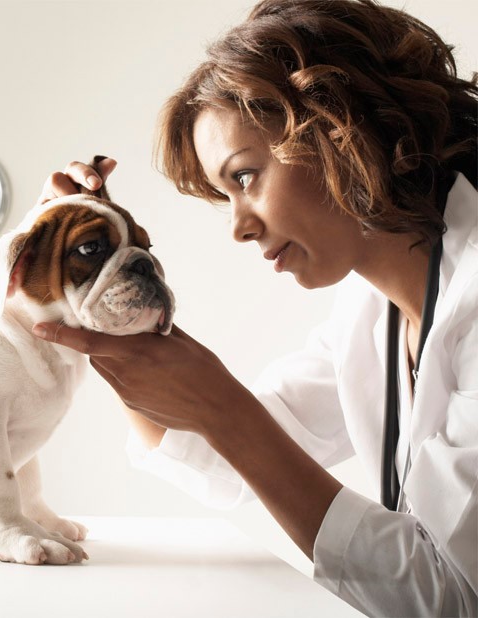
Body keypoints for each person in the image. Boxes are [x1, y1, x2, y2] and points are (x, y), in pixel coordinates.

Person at [31, 0, 477, 616]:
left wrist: (224, 410)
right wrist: (104, 285)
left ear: (339, 127)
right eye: (224, 194)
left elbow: (451, 598)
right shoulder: (370, 316)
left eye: (244, 177)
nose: (239, 227)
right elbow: (224, 454)